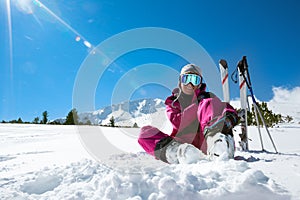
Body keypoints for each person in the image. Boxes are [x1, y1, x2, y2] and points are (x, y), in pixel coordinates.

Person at [138, 64, 238, 164]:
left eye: (195, 80)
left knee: (208, 102)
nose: (190, 84)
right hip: (182, 143)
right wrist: (196, 106)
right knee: (145, 133)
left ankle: (218, 143)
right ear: (180, 81)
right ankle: (177, 152)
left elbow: (222, 107)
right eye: (186, 79)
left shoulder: (206, 98)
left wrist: (229, 115)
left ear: (199, 84)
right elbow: (177, 122)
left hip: (205, 141)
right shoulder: (173, 101)